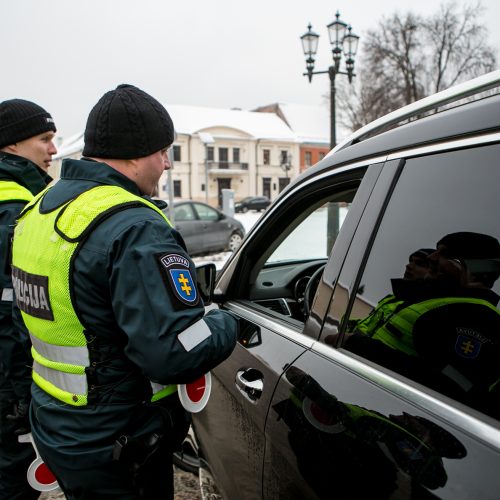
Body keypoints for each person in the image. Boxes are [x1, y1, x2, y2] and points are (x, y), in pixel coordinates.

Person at [10, 84, 239, 499]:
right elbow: (173, 353)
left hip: (60, 428)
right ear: (136, 153)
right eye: (163, 152)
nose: (167, 164)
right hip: (119, 442)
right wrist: (226, 322)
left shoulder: (40, 210)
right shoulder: (135, 228)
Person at [346, 232, 500, 417]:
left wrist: (356, 344)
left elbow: (448, 388)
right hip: (363, 399)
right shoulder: (440, 301)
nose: (431, 257)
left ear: (472, 270)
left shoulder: (477, 318)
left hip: (387, 418)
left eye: (443, 254)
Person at [0, 99, 57, 500]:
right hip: (10, 384)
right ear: (12, 146)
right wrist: (21, 397)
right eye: (44, 139)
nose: (53, 149)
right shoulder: (15, 211)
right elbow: (14, 310)